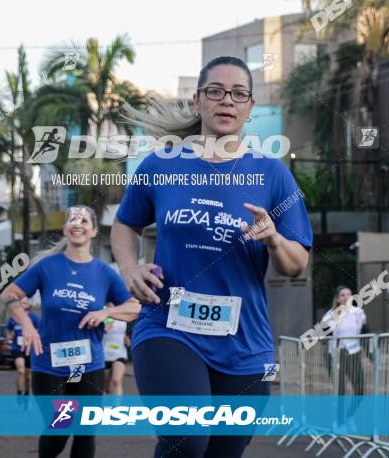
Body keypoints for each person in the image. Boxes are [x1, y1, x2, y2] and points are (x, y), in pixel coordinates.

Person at [111, 55, 313, 457]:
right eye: (216, 92)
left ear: (250, 107)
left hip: (244, 343)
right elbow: (124, 224)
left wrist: (273, 239)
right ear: (197, 101)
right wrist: (129, 268)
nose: (227, 101)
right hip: (168, 326)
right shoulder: (162, 166)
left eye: (239, 93)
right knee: (187, 440)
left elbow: (297, 264)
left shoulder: (272, 174)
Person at [2, 204, 140, 458]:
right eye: (72, 221)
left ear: (93, 231)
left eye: (84, 221)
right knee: (60, 427)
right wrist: (28, 324)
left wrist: (106, 312)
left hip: (90, 366)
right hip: (49, 365)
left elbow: (134, 307)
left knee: (85, 432)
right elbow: (9, 294)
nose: (78, 224)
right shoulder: (46, 267)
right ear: (65, 229)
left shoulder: (104, 273)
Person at [322, 286, 366, 420]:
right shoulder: (330, 315)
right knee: (340, 390)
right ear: (337, 299)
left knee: (360, 390)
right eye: (342, 295)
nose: (346, 297)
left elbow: (364, 332)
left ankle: (349, 416)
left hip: (354, 353)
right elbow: (323, 336)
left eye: (349, 294)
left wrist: (372, 356)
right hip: (336, 354)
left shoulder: (359, 312)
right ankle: (340, 421)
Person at [5, 301, 40, 395]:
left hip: (29, 349)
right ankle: (19, 394)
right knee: (21, 371)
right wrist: (9, 335)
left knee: (28, 376)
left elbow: (39, 330)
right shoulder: (13, 317)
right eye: (21, 303)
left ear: (29, 305)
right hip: (17, 348)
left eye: (25, 303)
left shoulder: (34, 317)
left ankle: (27, 394)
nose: (22, 304)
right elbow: (8, 329)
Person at [102, 309, 128, 396]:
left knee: (116, 380)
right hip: (104, 355)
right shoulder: (103, 315)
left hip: (119, 354)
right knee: (105, 387)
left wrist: (127, 340)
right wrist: (105, 328)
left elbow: (124, 334)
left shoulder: (123, 317)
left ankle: (117, 408)